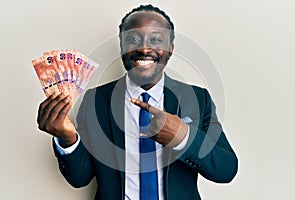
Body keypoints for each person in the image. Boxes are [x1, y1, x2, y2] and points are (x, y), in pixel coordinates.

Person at [37, 4, 238, 200]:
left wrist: (183, 136)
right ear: (122, 46)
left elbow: (226, 170)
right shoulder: (95, 101)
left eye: (156, 39)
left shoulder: (197, 99)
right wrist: (67, 138)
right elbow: (80, 178)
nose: (144, 48)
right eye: (133, 39)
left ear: (170, 49)